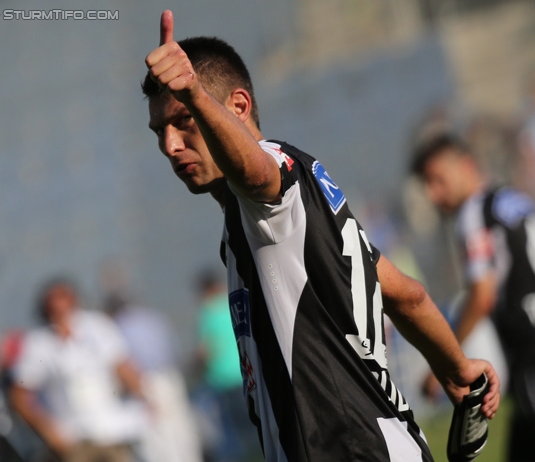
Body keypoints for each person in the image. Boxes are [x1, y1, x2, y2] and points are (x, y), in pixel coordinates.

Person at [142, 11, 500, 461]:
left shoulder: (271, 182)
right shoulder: (295, 211)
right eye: (161, 130)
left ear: (236, 107)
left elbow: (256, 175)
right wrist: (456, 368)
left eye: (185, 120)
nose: (170, 146)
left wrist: (193, 91)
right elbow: (406, 294)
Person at [411, 133, 535, 462]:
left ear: (466, 166)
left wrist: (445, 358)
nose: (434, 195)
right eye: (427, 186)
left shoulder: (474, 214)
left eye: (438, 181)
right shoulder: (517, 202)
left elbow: (483, 294)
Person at [10, 278, 149, 462]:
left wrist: (145, 397)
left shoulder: (97, 327)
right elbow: (21, 394)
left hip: (111, 430)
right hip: (72, 436)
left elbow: (122, 364)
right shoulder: (38, 344)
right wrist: (46, 430)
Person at [104, 293, 203, 462]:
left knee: (155, 436)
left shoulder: (116, 327)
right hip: (171, 377)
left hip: (144, 382)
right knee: (181, 430)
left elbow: (122, 363)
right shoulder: (153, 317)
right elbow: (174, 348)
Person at [193, 270, 260, 461]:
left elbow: (205, 349)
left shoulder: (207, 310)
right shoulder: (231, 301)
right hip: (246, 372)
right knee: (254, 420)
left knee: (236, 429)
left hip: (223, 378)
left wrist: (195, 365)